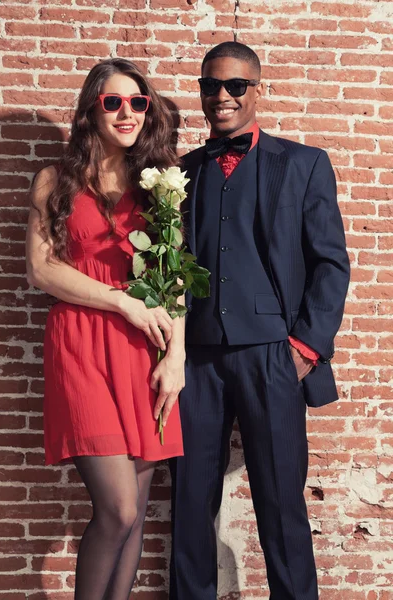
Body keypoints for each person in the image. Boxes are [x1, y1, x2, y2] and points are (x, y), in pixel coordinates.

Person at [169, 41, 350, 600]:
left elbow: (330, 263)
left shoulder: (302, 164)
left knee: (280, 504)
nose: (220, 96)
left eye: (234, 86)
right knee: (190, 506)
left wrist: (305, 348)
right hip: (196, 361)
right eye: (209, 86)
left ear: (256, 90)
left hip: (274, 355)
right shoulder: (180, 173)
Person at [26, 58, 185, 600]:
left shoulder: (158, 186)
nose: (127, 112)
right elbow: (42, 269)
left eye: (138, 102)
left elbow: (173, 283)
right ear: (91, 110)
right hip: (81, 345)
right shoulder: (56, 179)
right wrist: (122, 303)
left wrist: (176, 359)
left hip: (142, 351)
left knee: (137, 513)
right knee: (116, 509)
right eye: (113, 101)